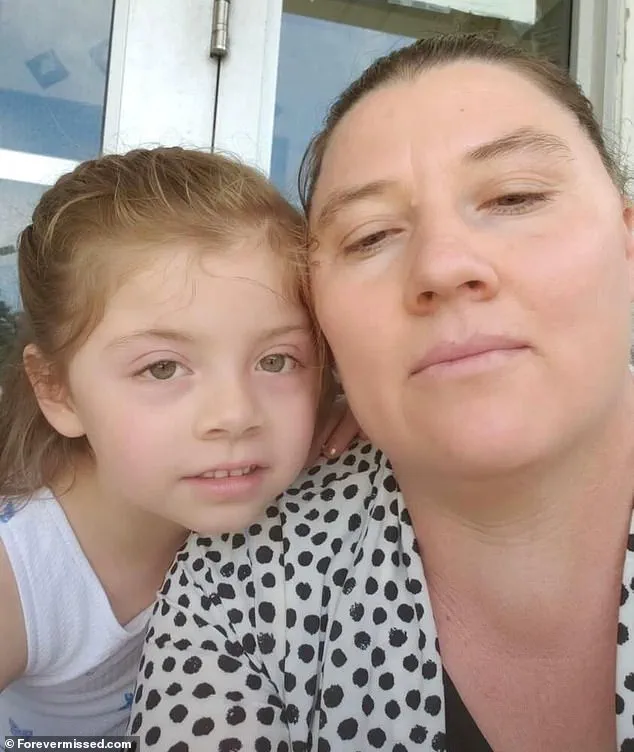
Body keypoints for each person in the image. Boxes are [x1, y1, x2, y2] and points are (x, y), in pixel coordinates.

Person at [128, 34, 634, 752]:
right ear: (320, 318)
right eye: (370, 237)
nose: (442, 265)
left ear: (626, 241)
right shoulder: (242, 585)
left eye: (515, 197)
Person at [0, 147, 357, 738]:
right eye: (162, 368)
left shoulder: (295, 472)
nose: (235, 415)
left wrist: (367, 415)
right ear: (58, 391)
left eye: (276, 360)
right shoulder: (22, 574)